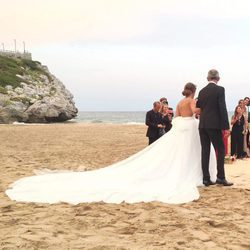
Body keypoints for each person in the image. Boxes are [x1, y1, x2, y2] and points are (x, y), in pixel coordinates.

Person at [5, 83, 217, 205]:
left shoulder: (178, 103)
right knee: (186, 154)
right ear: (193, 91)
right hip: (188, 129)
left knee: (174, 154)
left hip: (180, 128)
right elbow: (195, 113)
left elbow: (176, 117)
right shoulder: (191, 101)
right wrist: (203, 107)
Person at [196, 69, 233, 186]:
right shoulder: (220, 90)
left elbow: (199, 108)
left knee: (205, 150)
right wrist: (226, 127)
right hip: (214, 125)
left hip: (202, 125)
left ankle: (206, 178)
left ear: (208, 78)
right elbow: (222, 107)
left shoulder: (201, 91)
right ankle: (220, 177)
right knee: (221, 149)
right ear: (218, 78)